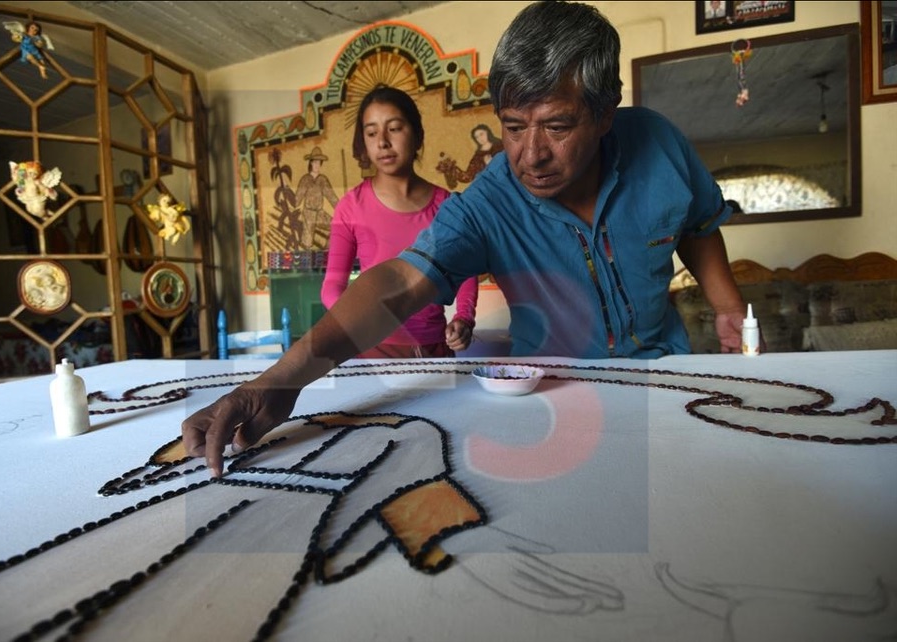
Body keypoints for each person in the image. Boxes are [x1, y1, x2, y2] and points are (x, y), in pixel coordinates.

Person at [183, 1, 754, 478]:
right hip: (553, 401)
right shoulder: (488, 200)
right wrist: (281, 382)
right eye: (512, 126)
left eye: (556, 126)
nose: (531, 154)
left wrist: (728, 309)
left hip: (669, 377)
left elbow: (697, 226)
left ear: (606, 113)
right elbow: (401, 281)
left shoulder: (658, 142)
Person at [321, 85, 478, 358]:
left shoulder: (447, 205)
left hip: (434, 349)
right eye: (371, 133)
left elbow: (465, 272)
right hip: (372, 351)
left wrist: (464, 318)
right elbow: (333, 285)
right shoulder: (350, 206)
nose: (382, 141)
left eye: (393, 128)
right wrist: (360, 322)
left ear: (417, 135)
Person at [294, 147, 339, 249]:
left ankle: (328, 250)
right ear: (310, 163)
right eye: (315, 162)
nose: (317, 165)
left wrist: (342, 209)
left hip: (320, 213)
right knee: (307, 244)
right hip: (308, 214)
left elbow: (332, 197)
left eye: (319, 163)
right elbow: (297, 200)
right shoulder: (305, 179)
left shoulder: (323, 179)